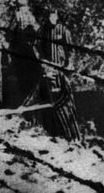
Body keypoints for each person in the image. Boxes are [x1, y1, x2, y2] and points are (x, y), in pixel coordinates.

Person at [37, 10, 80, 141]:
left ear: (57, 16)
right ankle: (54, 132)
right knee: (50, 100)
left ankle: (72, 134)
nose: (51, 18)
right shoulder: (43, 30)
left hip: (62, 70)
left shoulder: (63, 30)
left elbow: (71, 49)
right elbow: (38, 47)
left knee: (65, 100)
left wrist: (69, 63)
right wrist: (43, 61)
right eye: (49, 15)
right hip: (49, 69)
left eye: (53, 15)